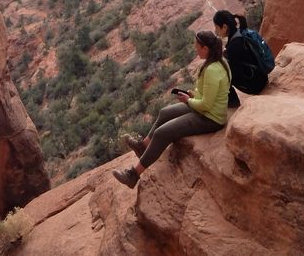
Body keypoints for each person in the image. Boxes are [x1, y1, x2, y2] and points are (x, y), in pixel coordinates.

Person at [112, 30, 230, 188]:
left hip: (211, 118)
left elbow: (206, 105)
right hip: (205, 109)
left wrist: (189, 101)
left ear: (205, 49)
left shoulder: (212, 70)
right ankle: (143, 147)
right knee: (165, 112)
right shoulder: (218, 61)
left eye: (197, 46)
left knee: (163, 133)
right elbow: (207, 96)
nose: (195, 48)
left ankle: (133, 175)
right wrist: (193, 95)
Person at [212, 10, 268, 108]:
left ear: (224, 27)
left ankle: (232, 103)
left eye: (216, 27)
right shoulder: (240, 32)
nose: (216, 31)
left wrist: (226, 61)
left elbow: (235, 72)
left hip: (256, 85)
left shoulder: (234, 45)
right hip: (262, 77)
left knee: (222, 72)